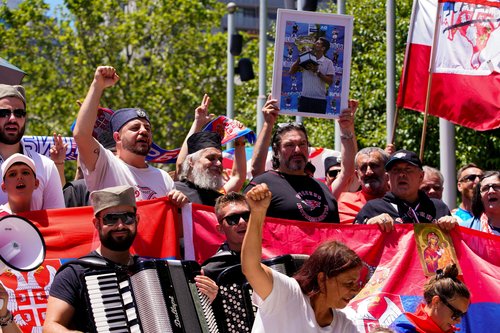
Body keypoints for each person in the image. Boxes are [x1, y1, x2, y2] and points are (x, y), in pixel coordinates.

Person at [43, 185, 217, 331]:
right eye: (111, 219)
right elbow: (50, 326)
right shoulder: (75, 272)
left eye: (127, 217)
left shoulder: (155, 271)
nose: (120, 225)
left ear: (137, 220)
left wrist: (203, 300)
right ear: (97, 224)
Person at [241, 183, 362, 332]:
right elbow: (251, 267)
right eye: (349, 283)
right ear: (322, 279)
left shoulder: (344, 326)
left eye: (356, 283)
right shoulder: (286, 293)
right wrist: (257, 212)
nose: (355, 290)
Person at [72, 66, 187, 206]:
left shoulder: (163, 177)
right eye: (135, 128)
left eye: (147, 128)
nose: (143, 131)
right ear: (117, 137)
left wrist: (179, 202)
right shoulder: (105, 165)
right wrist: (98, 85)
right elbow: (81, 134)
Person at [355, 150, 456, 232]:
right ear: (387, 178)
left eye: (408, 169)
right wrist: (368, 225)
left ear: (421, 176)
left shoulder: (438, 207)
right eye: (396, 170)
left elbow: (456, 248)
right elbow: (353, 243)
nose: (402, 174)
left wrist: (453, 226)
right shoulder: (373, 208)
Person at [0, 84, 64, 210]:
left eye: (19, 113)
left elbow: (56, 221)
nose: (12, 119)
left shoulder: (46, 167)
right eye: (4, 113)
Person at [390, 264, 470, 333]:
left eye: (462, 315)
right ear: (436, 302)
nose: (459, 320)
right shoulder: (400, 330)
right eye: (456, 314)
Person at [176, 131, 246, 206]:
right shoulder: (175, 191)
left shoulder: (220, 201)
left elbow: (238, 176)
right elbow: (179, 164)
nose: (219, 163)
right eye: (211, 158)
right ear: (191, 161)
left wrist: (240, 138)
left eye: (220, 159)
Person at [202, 191, 250, 281]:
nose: (242, 222)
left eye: (246, 216)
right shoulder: (210, 272)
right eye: (232, 218)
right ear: (221, 229)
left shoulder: (273, 255)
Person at [337, 147, 390, 224]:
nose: (369, 172)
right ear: (357, 175)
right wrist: (367, 223)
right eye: (363, 168)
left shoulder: (401, 200)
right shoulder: (346, 201)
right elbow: (347, 233)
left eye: (374, 166)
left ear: (387, 171)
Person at [289, 37, 334, 114]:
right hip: (304, 99)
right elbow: (291, 72)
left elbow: (330, 81)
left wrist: (317, 72)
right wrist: (301, 57)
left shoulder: (328, 62)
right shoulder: (305, 57)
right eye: (316, 42)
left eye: (318, 43)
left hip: (320, 100)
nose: (315, 44)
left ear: (323, 48)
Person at [459, 170, 500, 235]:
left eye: (496, 187)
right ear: (479, 197)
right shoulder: (466, 229)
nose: (491, 191)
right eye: (485, 188)